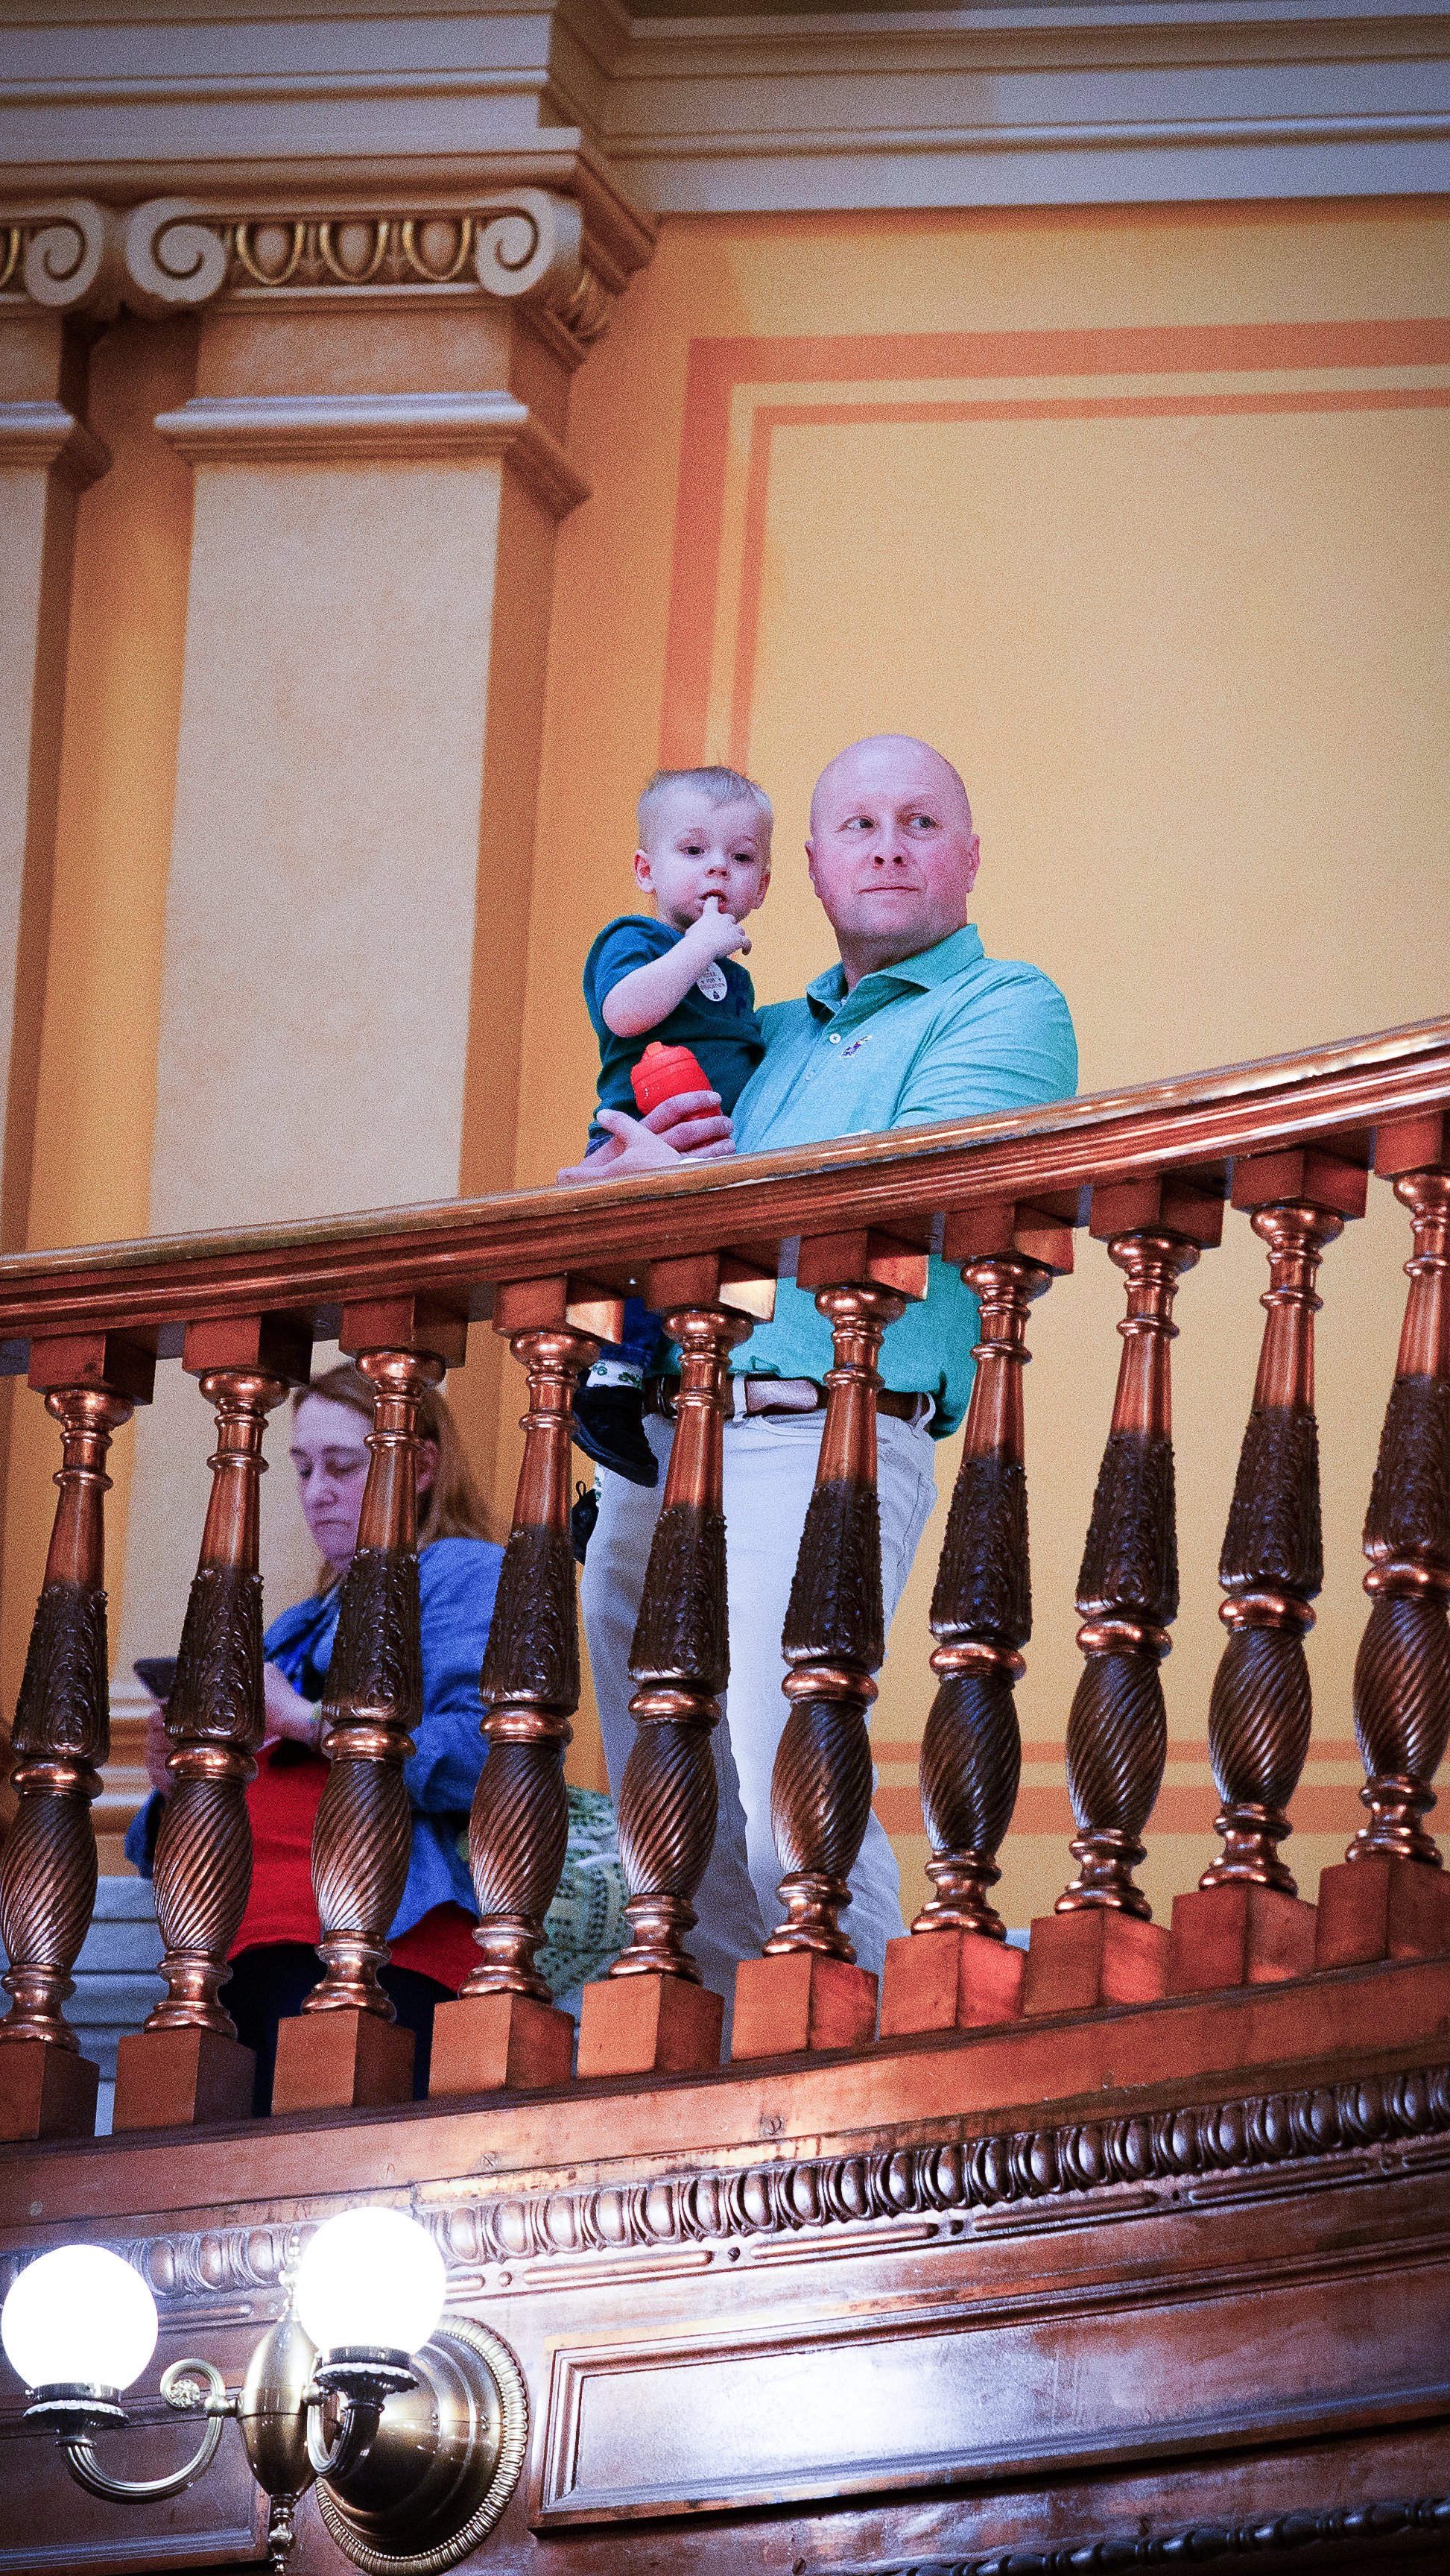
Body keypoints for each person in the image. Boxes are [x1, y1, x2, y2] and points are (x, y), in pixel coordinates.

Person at [566, 734, 1077, 2015]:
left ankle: (879, 2051)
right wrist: (614, 1193)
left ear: (967, 855)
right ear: (807, 866)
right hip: (669, 1439)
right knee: (666, 1819)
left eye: (918, 821)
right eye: (857, 824)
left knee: (779, 1779)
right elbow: (650, 1185)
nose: (888, 843)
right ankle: (765, 2071)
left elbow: (919, 1196)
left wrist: (684, 1192)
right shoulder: (761, 1031)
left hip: (829, 1426)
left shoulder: (1006, 1005)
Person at [127, 1365, 502, 2112]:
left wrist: (300, 1719)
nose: (316, 1493)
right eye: (301, 1469)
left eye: (342, 1466)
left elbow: (481, 1761)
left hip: (371, 1939)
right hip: (234, 1942)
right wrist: (179, 1780)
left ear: (421, 1468)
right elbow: (167, 1848)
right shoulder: (297, 1623)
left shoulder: (468, 1573)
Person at [572, 765, 771, 1486]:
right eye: (693, 851)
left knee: (682, 1277)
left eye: (741, 857)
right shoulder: (635, 939)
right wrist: (696, 949)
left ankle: (645, 1380)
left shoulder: (735, 980)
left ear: (763, 886)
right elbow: (626, 1012)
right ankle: (605, 1385)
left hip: (703, 1153)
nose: (718, 866)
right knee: (631, 1268)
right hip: (639, 1135)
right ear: (645, 869)